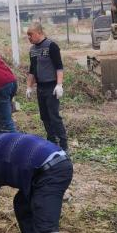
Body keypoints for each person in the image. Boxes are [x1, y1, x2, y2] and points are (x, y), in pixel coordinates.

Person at [25, 22, 68, 150]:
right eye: (27, 35)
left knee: (54, 116)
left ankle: (63, 144)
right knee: (44, 116)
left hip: (51, 87)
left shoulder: (51, 46)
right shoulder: (33, 50)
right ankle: (52, 142)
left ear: (38, 33)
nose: (29, 38)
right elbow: (32, 70)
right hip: (41, 87)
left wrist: (59, 84)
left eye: (30, 35)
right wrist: (29, 87)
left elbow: (59, 67)